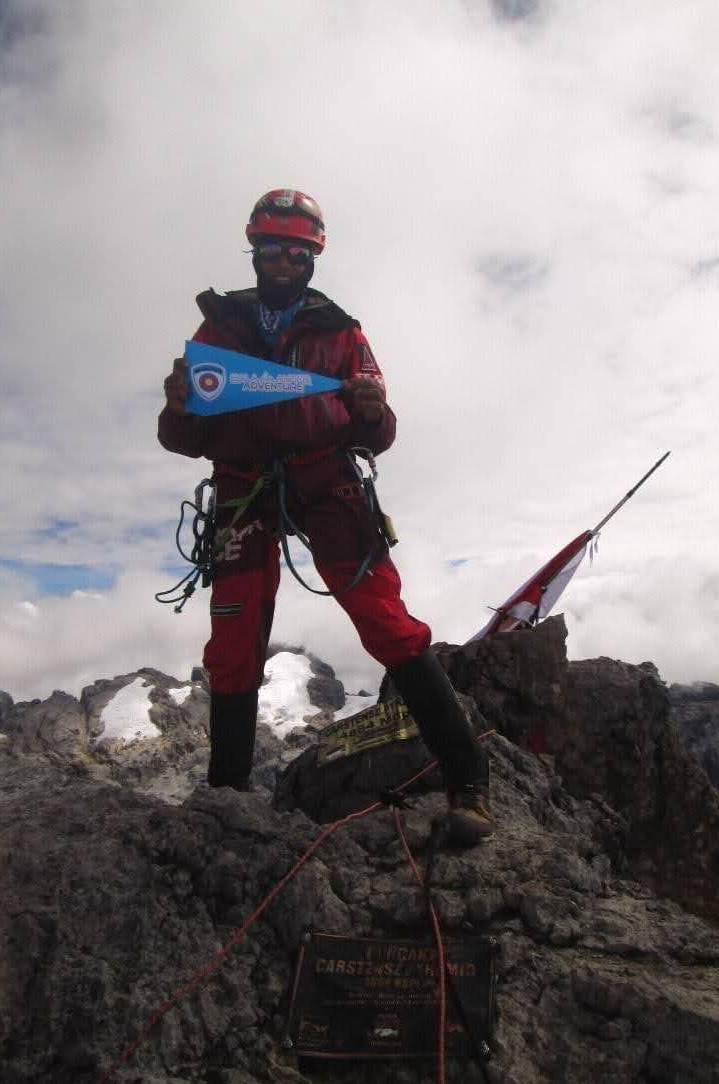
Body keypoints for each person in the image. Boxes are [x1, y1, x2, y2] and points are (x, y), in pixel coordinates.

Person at [159, 188, 492, 845]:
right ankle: (227, 805)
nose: (282, 261)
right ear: (254, 252)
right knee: (233, 640)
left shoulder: (343, 333)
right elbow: (183, 436)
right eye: (270, 249)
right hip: (245, 486)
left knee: (386, 623)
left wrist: (369, 410)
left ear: (312, 258)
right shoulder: (218, 328)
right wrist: (177, 406)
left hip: (327, 483)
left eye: (295, 252)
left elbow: (381, 433)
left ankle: (469, 783)